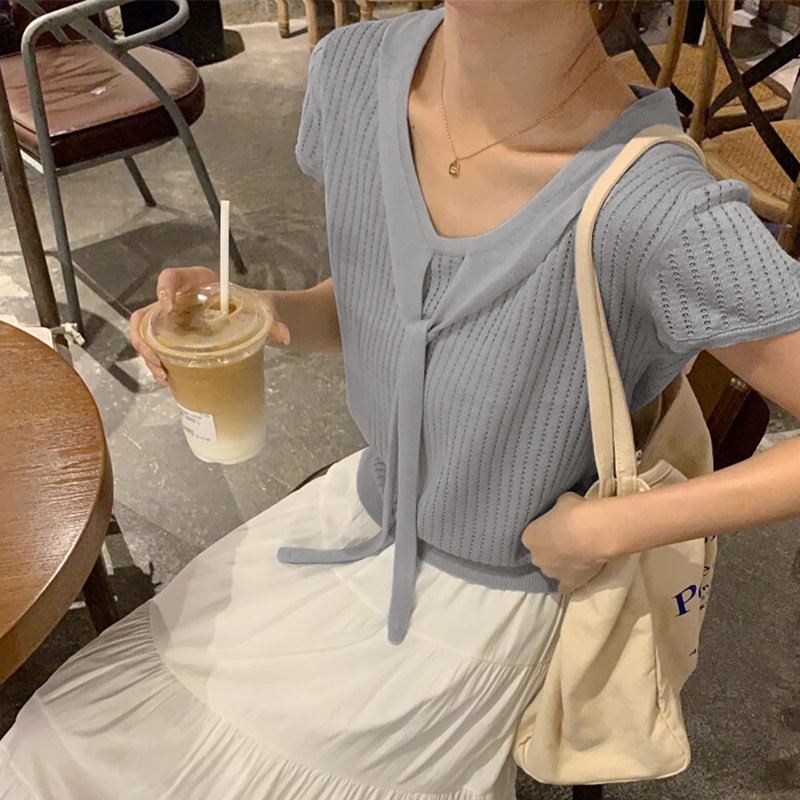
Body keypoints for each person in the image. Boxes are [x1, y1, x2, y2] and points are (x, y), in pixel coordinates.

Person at [3, 1, 800, 797]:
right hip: (356, 516)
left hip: (487, 595)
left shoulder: (657, 209)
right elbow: (374, 305)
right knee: (52, 749)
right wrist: (259, 313)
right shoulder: (354, 71)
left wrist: (608, 527)